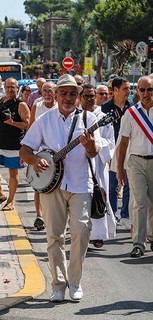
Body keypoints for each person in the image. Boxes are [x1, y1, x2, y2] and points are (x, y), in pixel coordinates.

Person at [19, 74, 101, 302]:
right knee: (54, 236)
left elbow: (95, 153)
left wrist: (91, 145)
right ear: (55, 96)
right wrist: (35, 160)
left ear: (78, 97)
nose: (68, 97)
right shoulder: (44, 121)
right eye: (63, 93)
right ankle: (58, 284)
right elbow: (24, 150)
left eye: (72, 93)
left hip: (80, 183)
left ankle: (75, 282)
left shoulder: (89, 118)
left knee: (81, 232)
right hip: (51, 187)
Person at [116, 75, 153, 257]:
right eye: (142, 90)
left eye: (149, 89)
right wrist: (120, 169)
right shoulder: (131, 113)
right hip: (136, 162)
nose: (145, 93)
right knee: (139, 202)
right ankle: (138, 242)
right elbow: (123, 143)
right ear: (137, 92)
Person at [79, 84, 116, 248]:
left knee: (99, 197)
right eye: (86, 96)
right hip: (78, 164)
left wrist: (96, 144)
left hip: (98, 165)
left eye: (92, 95)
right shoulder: (75, 116)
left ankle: (98, 235)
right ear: (80, 98)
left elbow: (110, 142)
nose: (89, 99)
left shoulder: (104, 117)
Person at [101, 77, 131, 229]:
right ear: (115, 90)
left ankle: (125, 215)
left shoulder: (132, 108)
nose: (128, 91)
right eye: (125, 88)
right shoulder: (104, 109)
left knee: (128, 184)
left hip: (129, 149)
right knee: (112, 185)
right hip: (111, 150)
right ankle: (112, 214)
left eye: (129, 88)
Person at [29, 81, 57, 230]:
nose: (47, 94)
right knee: (38, 186)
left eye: (50, 91)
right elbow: (31, 127)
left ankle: (52, 216)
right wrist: (26, 151)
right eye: (44, 91)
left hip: (57, 154)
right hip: (39, 153)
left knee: (54, 185)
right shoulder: (37, 105)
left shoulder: (60, 107)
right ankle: (39, 216)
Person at [0, 77, 30, 211]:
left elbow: (27, 124)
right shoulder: (0, 102)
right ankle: (1, 193)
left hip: (13, 146)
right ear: (4, 88)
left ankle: (11, 201)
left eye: (13, 87)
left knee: (13, 173)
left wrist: (12, 123)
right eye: (8, 87)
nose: (10, 89)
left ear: (17, 89)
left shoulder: (21, 105)